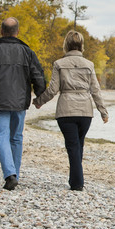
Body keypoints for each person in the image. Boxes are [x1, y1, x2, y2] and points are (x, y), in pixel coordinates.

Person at [0, 17, 46, 191]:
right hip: (20, 102)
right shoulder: (27, 52)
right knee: (16, 138)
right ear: (17, 32)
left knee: (2, 136)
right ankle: (14, 175)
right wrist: (39, 97)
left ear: (1, 31)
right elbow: (38, 76)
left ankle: (10, 175)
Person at [33, 30, 108, 191]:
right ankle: (76, 179)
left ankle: (77, 183)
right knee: (78, 145)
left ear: (66, 45)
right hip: (85, 112)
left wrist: (39, 101)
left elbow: (53, 90)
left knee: (74, 146)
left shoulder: (59, 64)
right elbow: (95, 90)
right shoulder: (89, 65)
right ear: (81, 45)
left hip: (66, 111)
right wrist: (103, 112)